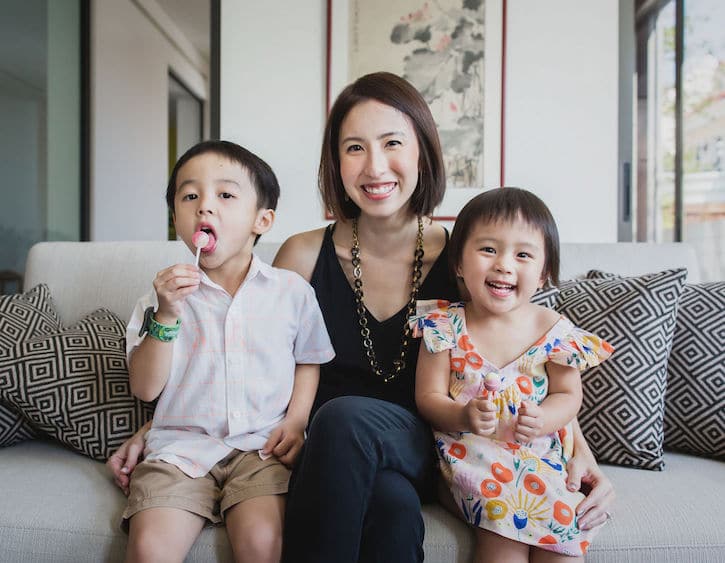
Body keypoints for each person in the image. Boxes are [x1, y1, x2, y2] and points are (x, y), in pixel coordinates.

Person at [108, 73, 615, 562]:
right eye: (355, 148)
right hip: (328, 456)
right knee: (392, 513)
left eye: (392, 143)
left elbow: (520, 352)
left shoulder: (467, 259)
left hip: (426, 440)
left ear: (423, 152)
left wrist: (576, 447)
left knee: (346, 416)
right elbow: (244, 350)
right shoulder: (302, 256)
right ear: (336, 162)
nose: (375, 167)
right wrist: (162, 426)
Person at [120, 140, 334, 563]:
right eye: (190, 196)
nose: (205, 208)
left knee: (263, 544)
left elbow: (308, 361)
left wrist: (295, 421)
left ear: (262, 220)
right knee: (148, 548)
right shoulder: (159, 298)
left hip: (261, 450)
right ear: (176, 218)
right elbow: (145, 389)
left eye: (225, 195)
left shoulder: (291, 292)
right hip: (179, 451)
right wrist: (166, 315)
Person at [412, 187, 613, 561]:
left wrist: (544, 419)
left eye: (523, 255)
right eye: (488, 249)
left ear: (543, 274)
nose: (504, 264)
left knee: (563, 541)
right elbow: (427, 396)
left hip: (539, 457)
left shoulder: (553, 329)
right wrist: (463, 415)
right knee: (503, 535)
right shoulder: (444, 326)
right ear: (458, 263)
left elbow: (569, 395)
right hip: (472, 455)